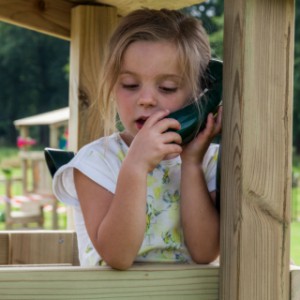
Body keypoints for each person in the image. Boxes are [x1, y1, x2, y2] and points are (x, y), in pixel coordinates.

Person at [53, 8, 222, 270]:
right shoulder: (96, 162)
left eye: (167, 88)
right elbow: (118, 256)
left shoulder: (207, 161)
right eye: (130, 84)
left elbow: (204, 252)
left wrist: (192, 164)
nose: (146, 99)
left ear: (198, 96)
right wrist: (136, 167)